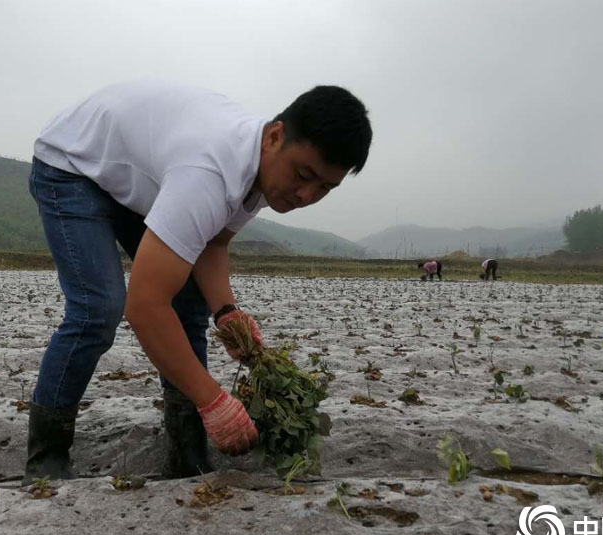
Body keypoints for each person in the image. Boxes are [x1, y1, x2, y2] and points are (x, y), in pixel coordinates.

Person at [24, 80, 372, 482]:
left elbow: (214, 241)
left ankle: (187, 452)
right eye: (303, 174)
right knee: (97, 309)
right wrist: (213, 400)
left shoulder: (262, 174)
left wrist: (227, 313)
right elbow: (145, 307)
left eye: (325, 187)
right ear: (275, 136)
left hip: (137, 176)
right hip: (72, 165)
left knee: (190, 300)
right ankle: (45, 460)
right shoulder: (210, 173)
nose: (306, 195)